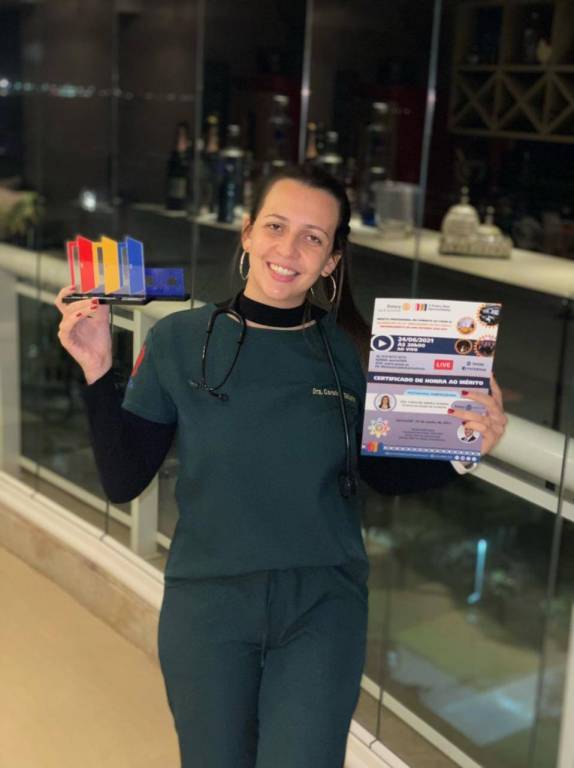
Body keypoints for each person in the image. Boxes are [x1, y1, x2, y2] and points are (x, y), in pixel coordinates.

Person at [55, 165, 507, 768]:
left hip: (323, 604)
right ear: (247, 233)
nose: (288, 250)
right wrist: (96, 370)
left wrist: (464, 450)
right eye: (275, 226)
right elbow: (123, 479)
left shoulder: (355, 351)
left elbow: (383, 473)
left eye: (312, 237)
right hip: (209, 604)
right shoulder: (179, 341)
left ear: (331, 260)